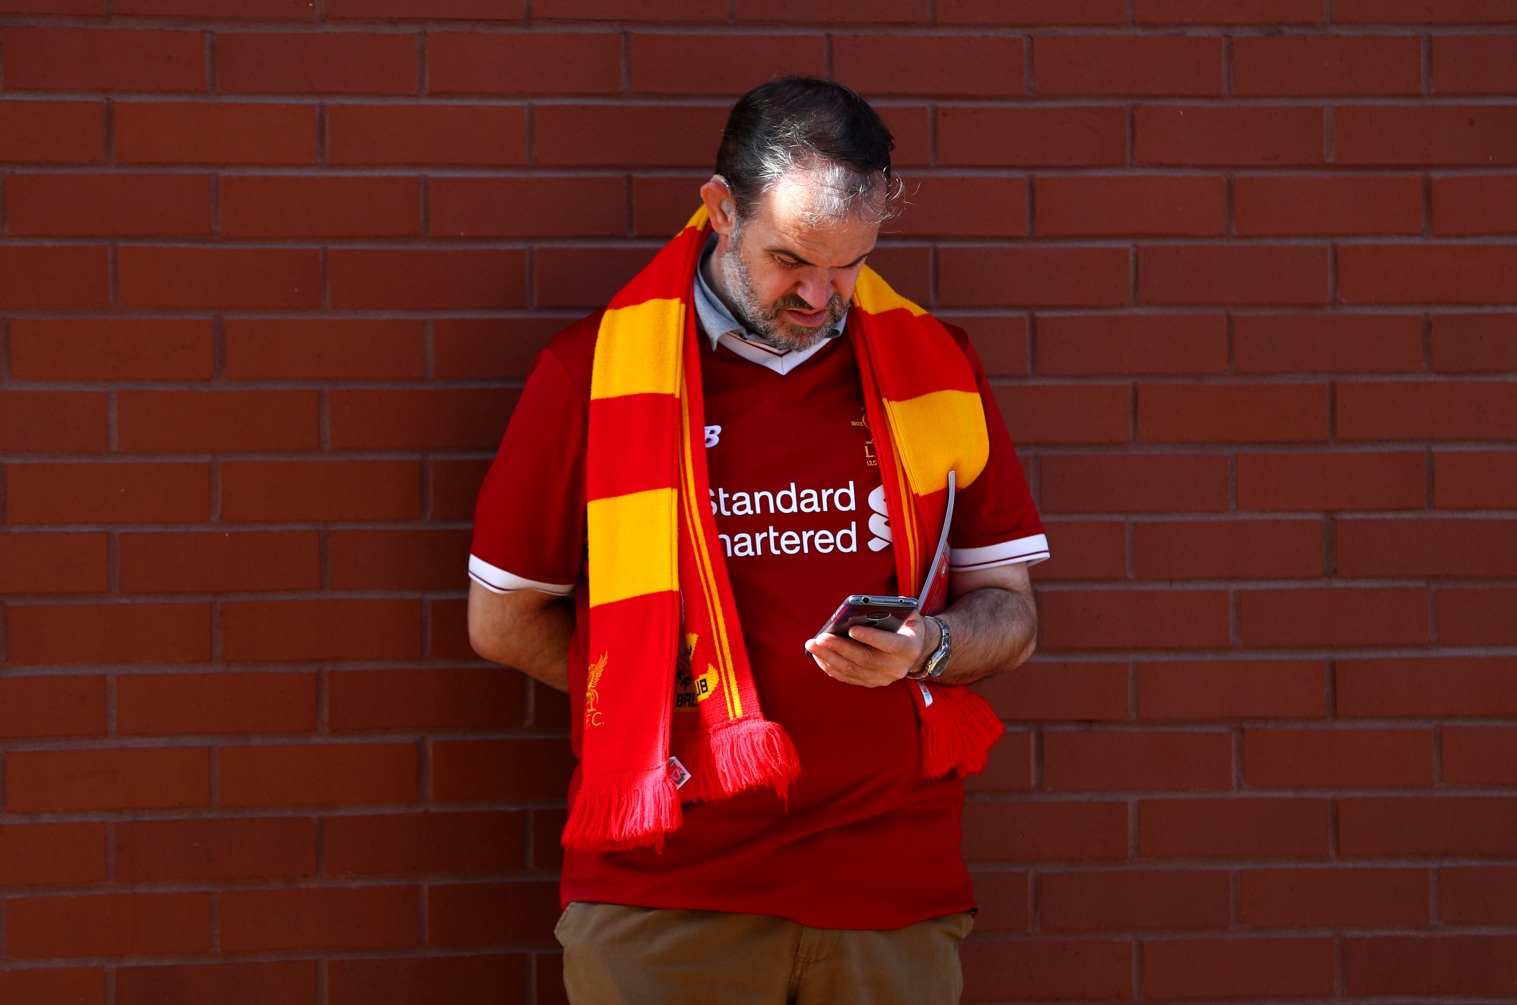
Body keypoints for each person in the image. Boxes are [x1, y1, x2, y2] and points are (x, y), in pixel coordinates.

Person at [467, 76, 1049, 1005]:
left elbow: (1008, 614)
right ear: (720, 208)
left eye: (849, 265)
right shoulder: (589, 375)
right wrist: (667, 698)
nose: (820, 295)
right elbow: (502, 621)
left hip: (889, 892)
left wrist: (928, 647)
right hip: (666, 899)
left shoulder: (936, 367)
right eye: (789, 260)